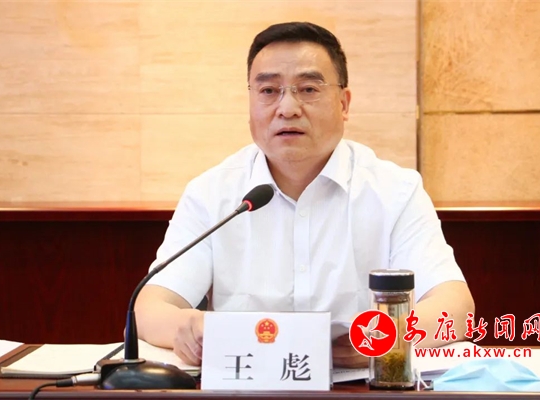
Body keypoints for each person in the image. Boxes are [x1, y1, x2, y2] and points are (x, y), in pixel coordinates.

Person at [134, 21, 475, 369]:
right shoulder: (212, 193)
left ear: (343, 103)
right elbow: (149, 306)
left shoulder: (395, 191)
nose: (287, 108)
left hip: (360, 386)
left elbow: (455, 306)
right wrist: (185, 326)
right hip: (247, 385)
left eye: (309, 89)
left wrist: (388, 336)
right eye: (269, 91)